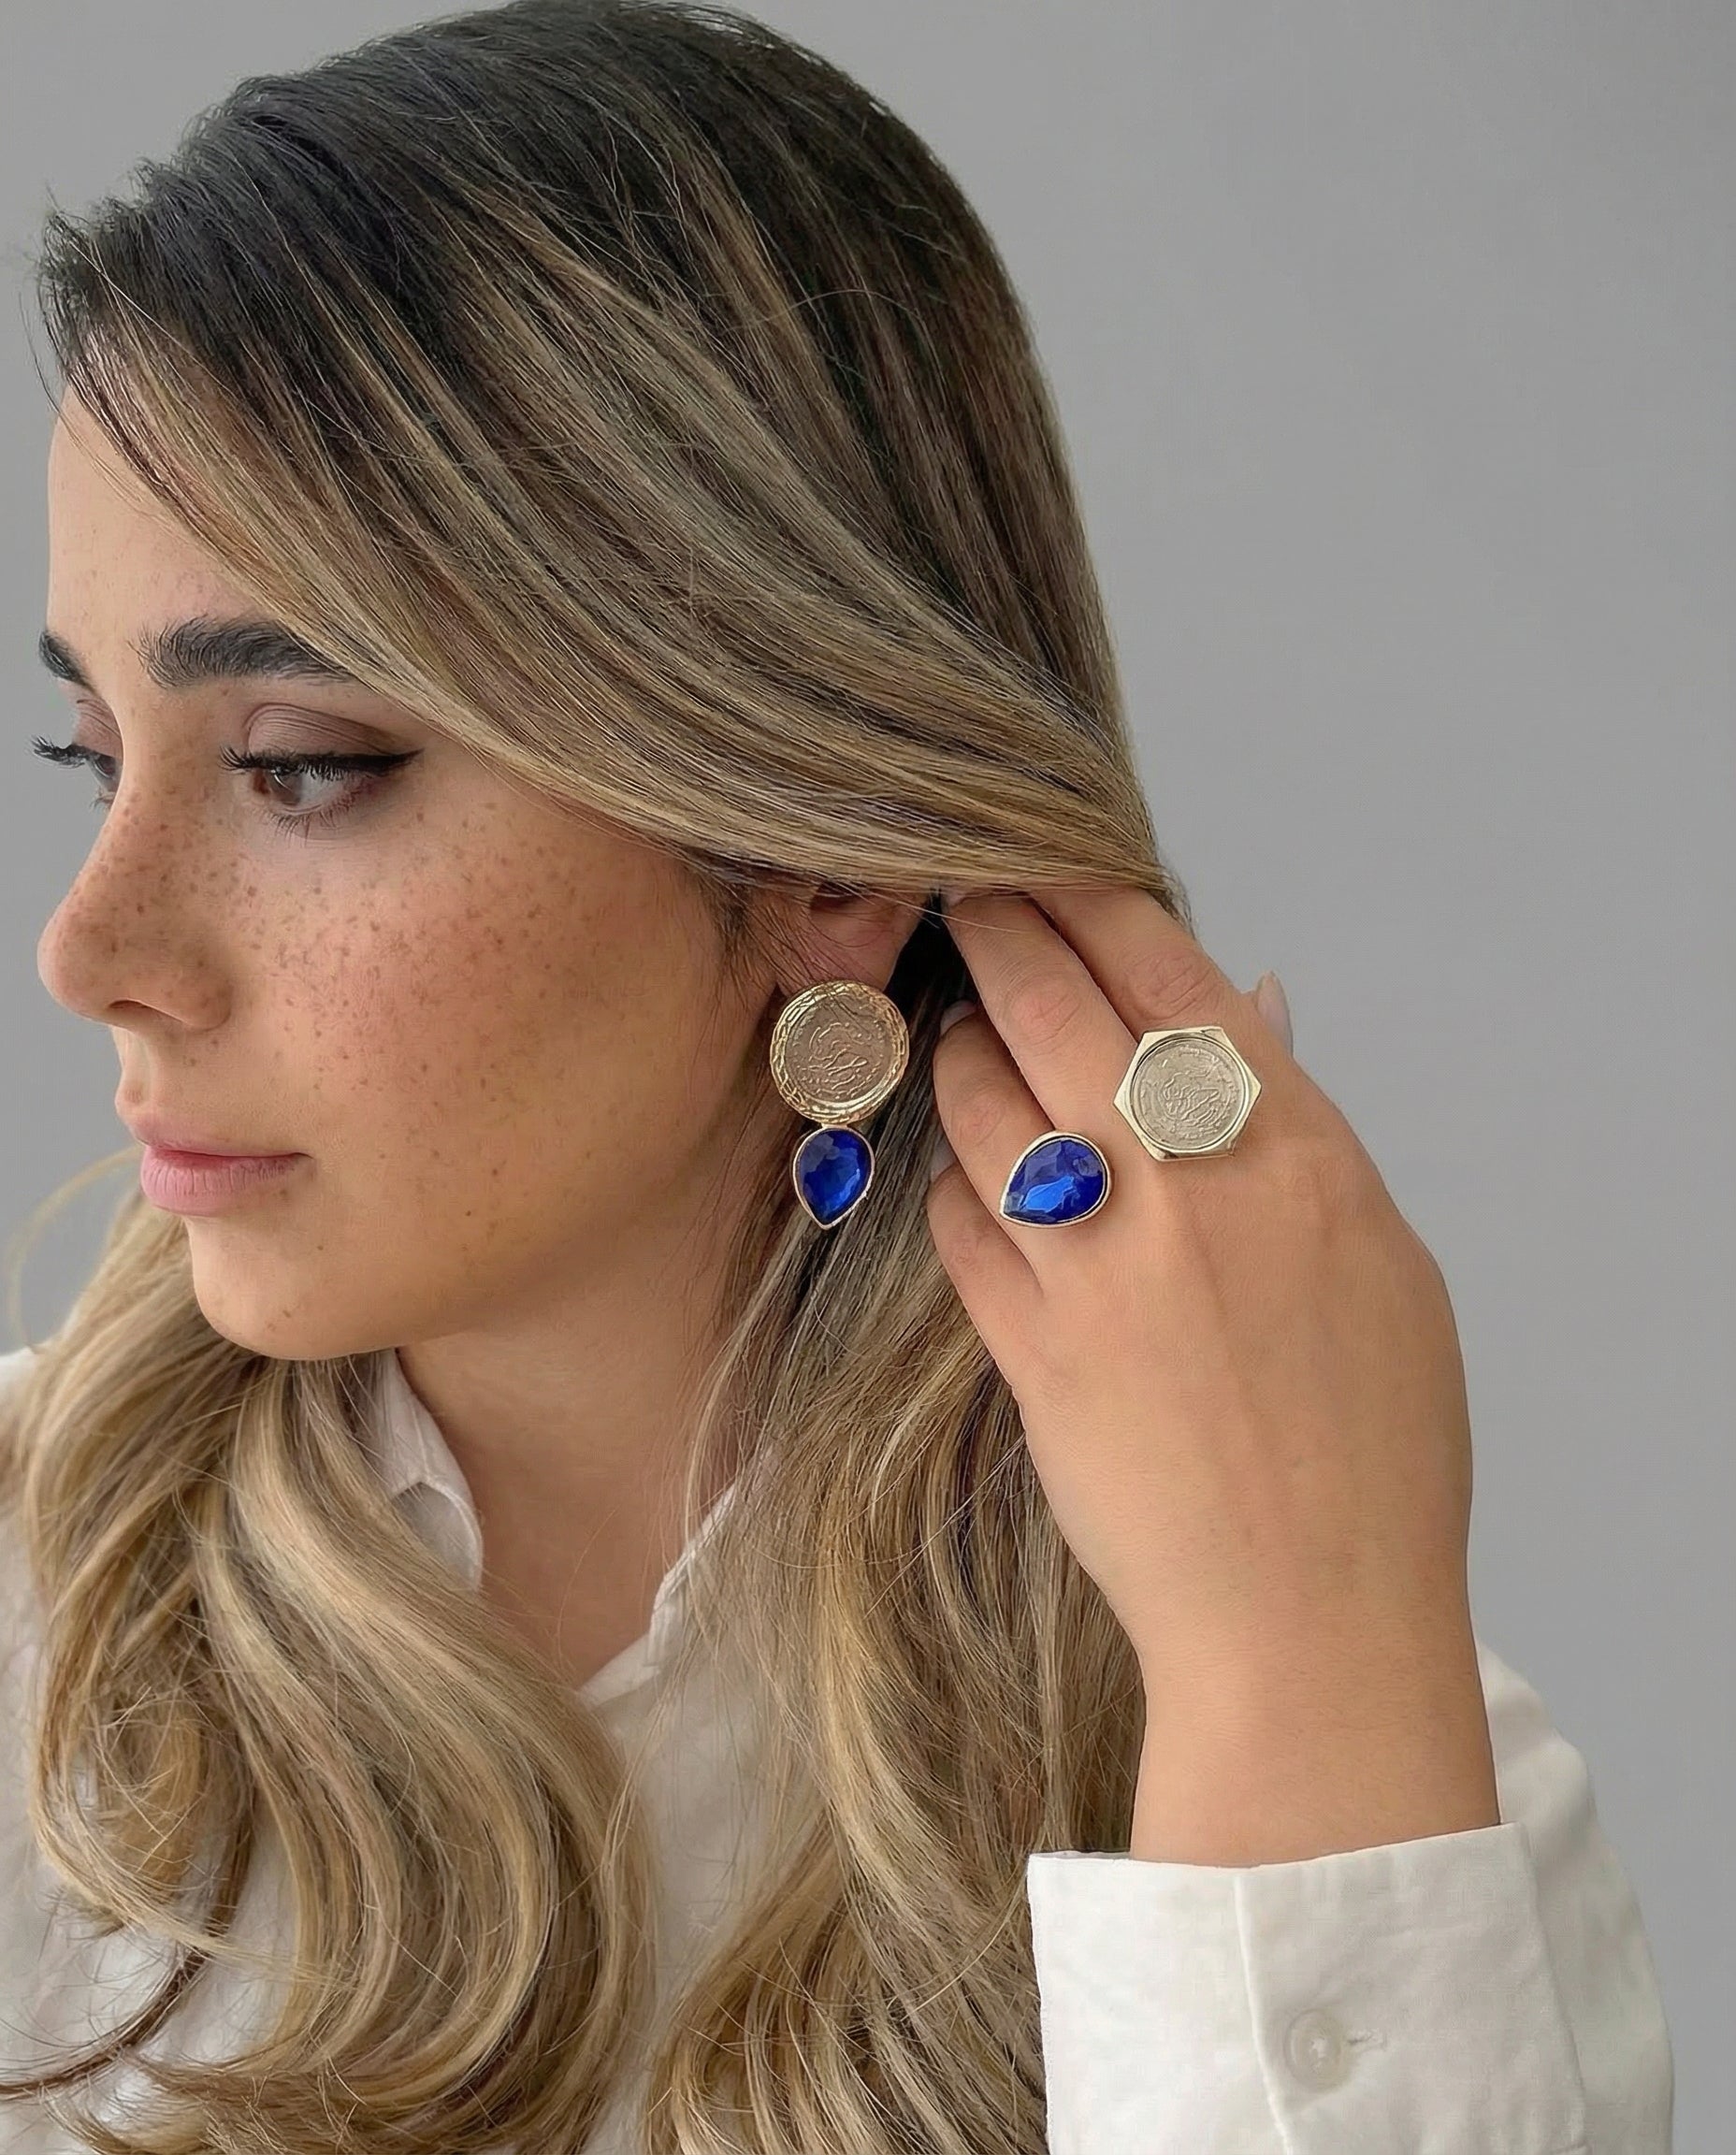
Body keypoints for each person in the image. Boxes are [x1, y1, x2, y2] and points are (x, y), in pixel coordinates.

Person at [0, 3, 1672, 2149]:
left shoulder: (1369, 1771)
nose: (89, 952)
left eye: (304, 770)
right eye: (88, 759)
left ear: (824, 849)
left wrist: (1296, 1666)